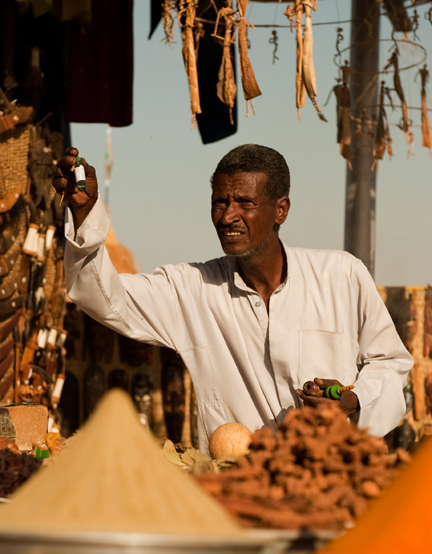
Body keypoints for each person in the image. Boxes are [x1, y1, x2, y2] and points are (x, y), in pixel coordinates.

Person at [53, 144, 413, 454]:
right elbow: (105, 299)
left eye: (244, 202)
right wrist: (84, 213)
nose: (227, 216)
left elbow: (391, 365)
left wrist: (351, 400)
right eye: (219, 202)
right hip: (237, 491)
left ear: (280, 210)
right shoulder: (193, 288)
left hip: (330, 484)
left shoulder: (341, 275)